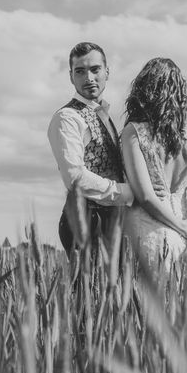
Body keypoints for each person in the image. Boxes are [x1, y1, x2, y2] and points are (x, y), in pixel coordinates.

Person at [121, 57, 187, 277]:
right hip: (185, 241)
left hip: (147, 234)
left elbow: (146, 197)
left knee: (145, 308)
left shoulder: (133, 132)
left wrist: (179, 226)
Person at [48, 42, 134, 253]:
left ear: (107, 72)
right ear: (71, 76)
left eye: (95, 70)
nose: (88, 78)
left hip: (111, 222)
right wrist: (128, 192)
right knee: (88, 287)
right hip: (87, 222)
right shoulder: (67, 117)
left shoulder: (103, 114)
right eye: (80, 71)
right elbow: (75, 177)